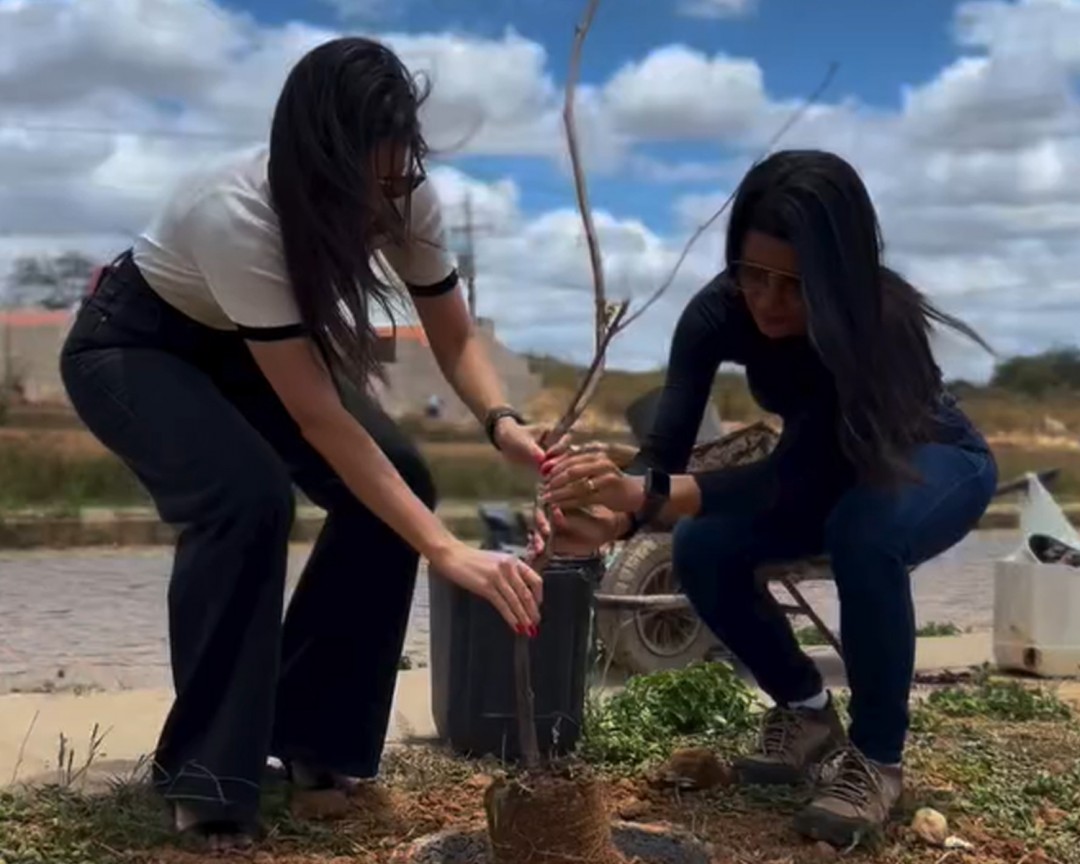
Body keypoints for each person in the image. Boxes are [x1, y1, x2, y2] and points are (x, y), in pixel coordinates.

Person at [60, 37, 548, 850]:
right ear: (311, 165)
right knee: (245, 499)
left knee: (400, 478)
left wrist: (504, 423)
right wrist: (444, 552)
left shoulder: (404, 193)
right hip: (138, 344)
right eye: (359, 192)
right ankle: (209, 776)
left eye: (394, 183)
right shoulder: (236, 212)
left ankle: (316, 738)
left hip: (247, 344)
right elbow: (319, 414)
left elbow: (456, 338)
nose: (377, 213)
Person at [540, 149, 998, 847]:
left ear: (837, 277)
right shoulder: (716, 315)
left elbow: (797, 479)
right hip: (828, 472)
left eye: (794, 285)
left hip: (928, 457)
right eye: (751, 275)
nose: (767, 301)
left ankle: (877, 762)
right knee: (701, 544)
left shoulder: (881, 324)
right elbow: (665, 455)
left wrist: (653, 494)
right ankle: (807, 711)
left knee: (864, 532)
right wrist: (614, 510)